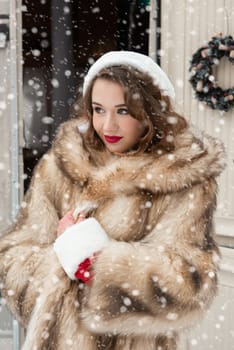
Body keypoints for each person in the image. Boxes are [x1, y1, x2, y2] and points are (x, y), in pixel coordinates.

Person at [0, 51, 225, 350]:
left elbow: (191, 282)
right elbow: (13, 256)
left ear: (150, 111)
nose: (108, 126)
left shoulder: (182, 179)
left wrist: (98, 262)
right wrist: (63, 257)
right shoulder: (62, 166)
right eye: (98, 109)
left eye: (123, 111)